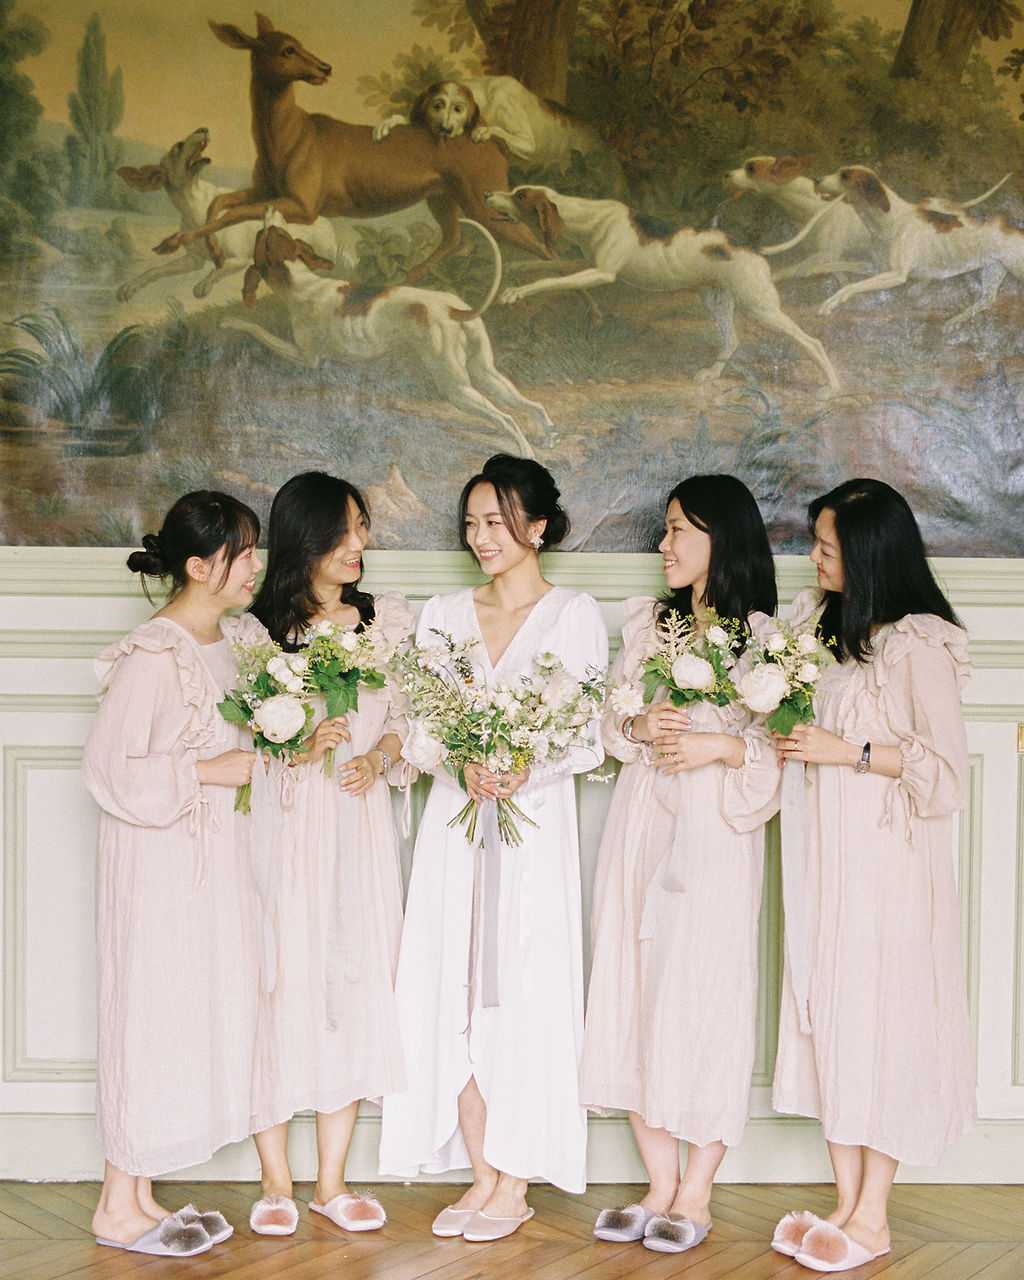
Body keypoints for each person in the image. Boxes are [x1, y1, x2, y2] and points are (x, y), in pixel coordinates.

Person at [379, 454, 608, 1241]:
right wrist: (459, 759)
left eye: (497, 521)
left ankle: (517, 1178)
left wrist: (522, 765)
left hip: (533, 832)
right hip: (455, 826)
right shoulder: (443, 613)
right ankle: (480, 1175)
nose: (482, 536)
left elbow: (584, 737)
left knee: (524, 987)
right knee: (453, 989)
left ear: (537, 526)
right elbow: (418, 726)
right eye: (472, 523)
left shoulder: (573, 614)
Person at [770, 478, 975, 1273]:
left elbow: (946, 774)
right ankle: (843, 1200)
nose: (815, 558)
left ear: (870, 553)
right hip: (823, 855)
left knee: (883, 1020)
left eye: (828, 546)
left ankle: (876, 1216)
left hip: (887, 866)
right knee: (831, 1012)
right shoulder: (819, 629)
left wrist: (844, 751)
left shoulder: (918, 641)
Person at [581, 474, 781, 1255]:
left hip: (715, 833)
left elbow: (780, 750)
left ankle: (698, 1189)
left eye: (677, 531)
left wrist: (719, 744)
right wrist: (639, 718)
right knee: (634, 986)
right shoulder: (648, 626)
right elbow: (610, 725)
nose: (662, 546)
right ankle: (658, 1182)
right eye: (663, 531)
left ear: (719, 539)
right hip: (642, 821)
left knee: (706, 994)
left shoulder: (766, 640)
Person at [83, 491, 264, 1258]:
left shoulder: (242, 640)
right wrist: (207, 769)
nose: (256, 565)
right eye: (242, 553)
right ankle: (115, 1201)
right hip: (157, 868)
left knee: (189, 1016)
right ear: (199, 566)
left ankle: (143, 1188)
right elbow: (109, 772)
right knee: (148, 1016)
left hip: (213, 867)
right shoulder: (154, 655)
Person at [245, 472, 412, 1236]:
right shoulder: (256, 631)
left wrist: (378, 759)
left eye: (362, 528)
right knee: (279, 982)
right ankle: (275, 1180)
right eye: (342, 531)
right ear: (303, 538)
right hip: (283, 827)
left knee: (350, 979)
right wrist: (296, 745)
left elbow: (408, 720)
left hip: (357, 820)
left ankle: (332, 1180)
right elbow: (236, 740)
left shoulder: (387, 622)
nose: (357, 546)